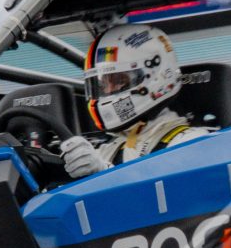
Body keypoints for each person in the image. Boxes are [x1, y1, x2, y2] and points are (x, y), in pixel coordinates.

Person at [57, 22, 198, 179]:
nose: (108, 91)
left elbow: (164, 194)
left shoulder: (190, 143)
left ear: (155, 76)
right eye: (103, 84)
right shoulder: (109, 149)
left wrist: (103, 173)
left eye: (118, 80)